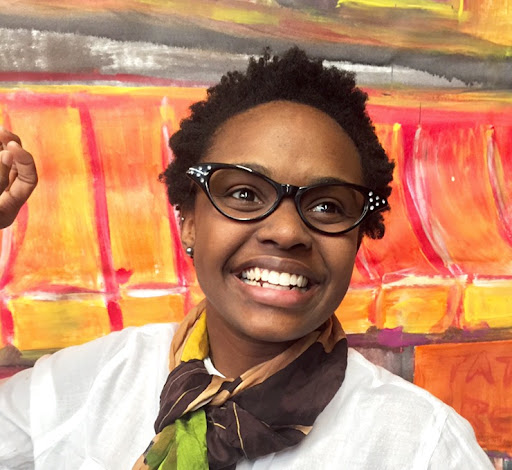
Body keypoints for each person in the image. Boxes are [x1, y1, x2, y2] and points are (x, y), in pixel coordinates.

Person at [0, 48, 493, 470]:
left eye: (326, 206)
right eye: (243, 193)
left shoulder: (425, 447)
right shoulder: (88, 385)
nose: (285, 231)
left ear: (359, 235)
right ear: (189, 220)